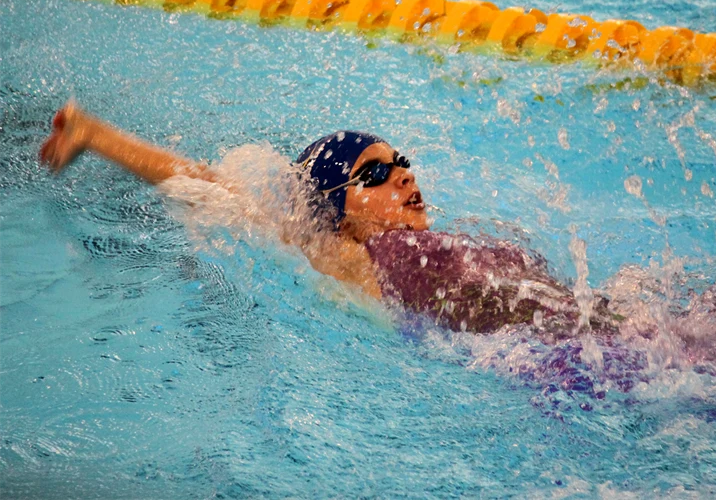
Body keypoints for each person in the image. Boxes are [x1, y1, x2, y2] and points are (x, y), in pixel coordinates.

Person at [40, 101, 618, 340]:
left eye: (403, 165)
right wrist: (97, 136)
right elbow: (208, 189)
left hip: (596, 323)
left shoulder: (443, 241)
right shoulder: (340, 256)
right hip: (556, 354)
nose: (405, 178)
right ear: (334, 211)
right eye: (375, 175)